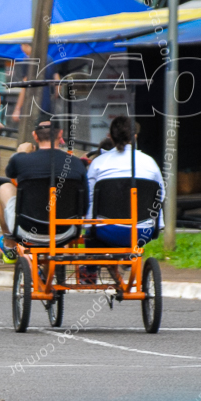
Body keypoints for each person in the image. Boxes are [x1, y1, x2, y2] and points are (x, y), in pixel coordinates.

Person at [84, 116, 165, 283]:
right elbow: (160, 195)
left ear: (110, 137)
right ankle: (127, 257)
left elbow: (89, 197)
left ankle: (91, 270)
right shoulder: (150, 163)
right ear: (135, 137)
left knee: (92, 230)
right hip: (142, 231)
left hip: (106, 230)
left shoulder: (98, 163)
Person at [0, 122, 89, 264]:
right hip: (65, 232)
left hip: (27, 230)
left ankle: (9, 243)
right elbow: (84, 206)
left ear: (35, 136)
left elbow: (10, 173)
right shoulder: (76, 164)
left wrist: (21, 153)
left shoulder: (22, 160)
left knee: (4, 188)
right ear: (60, 135)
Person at [10, 43, 60, 125]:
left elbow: (25, 86)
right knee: (45, 132)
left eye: (21, 45)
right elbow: (58, 81)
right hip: (47, 105)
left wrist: (17, 108)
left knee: (32, 130)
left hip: (31, 105)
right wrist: (53, 97)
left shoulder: (27, 60)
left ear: (25, 45)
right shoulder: (49, 59)